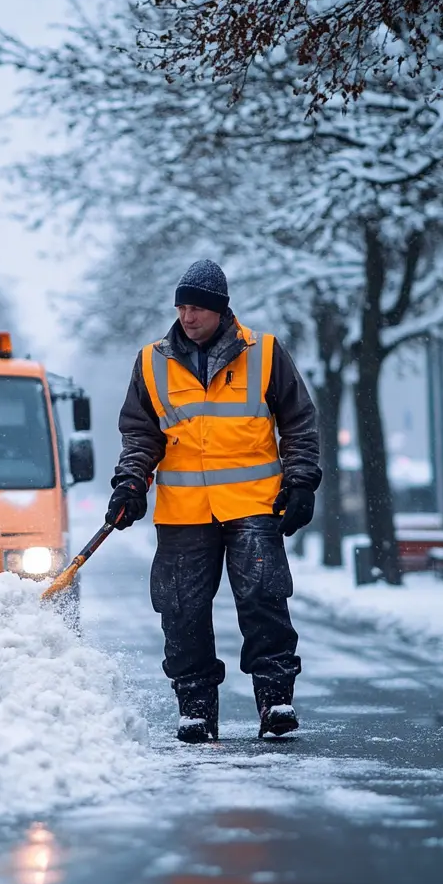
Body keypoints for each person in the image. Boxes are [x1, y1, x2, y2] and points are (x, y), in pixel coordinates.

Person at [107, 259, 321, 743]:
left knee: (263, 599)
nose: (187, 317)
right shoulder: (151, 362)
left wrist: (301, 481)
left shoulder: (264, 353)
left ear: (221, 310)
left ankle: (275, 700)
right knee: (181, 610)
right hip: (183, 511)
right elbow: (140, 434)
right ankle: (196, 709)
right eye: (181, 307)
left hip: (253, 505)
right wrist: (131, 483)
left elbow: (299, 422)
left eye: (197, 308)